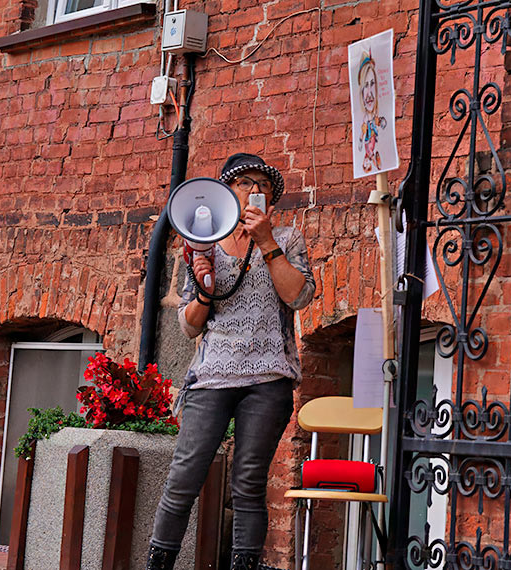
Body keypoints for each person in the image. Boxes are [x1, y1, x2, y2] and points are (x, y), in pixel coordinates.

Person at [147, 153, 316, 570]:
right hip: (212, 374)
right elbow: (188, 325)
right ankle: (158, 563)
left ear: (272, 197)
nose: (254, 189)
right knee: (184, 477)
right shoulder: (203, 238)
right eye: (245, 183)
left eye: (262, 184)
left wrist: (266, 242)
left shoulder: (287, 239)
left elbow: (300, 296)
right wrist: (204, 288)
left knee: (249, 483)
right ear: (227, 192)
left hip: (268, 376)